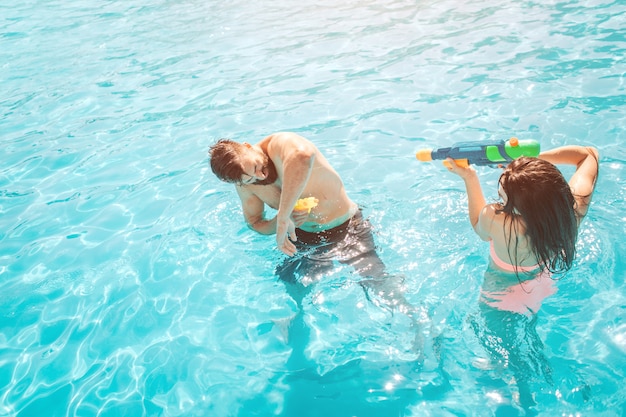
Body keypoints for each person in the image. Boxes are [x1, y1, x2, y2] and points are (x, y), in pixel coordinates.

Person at [447, 144, 599, 413]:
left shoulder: (498, 221)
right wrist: (530, 164)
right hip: (544, 281)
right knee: (531, 339)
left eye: (503, 198)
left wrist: (469, 177)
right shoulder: (571, 210)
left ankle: (523, 391)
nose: (499, 202)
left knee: (508, 351)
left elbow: (477, 226)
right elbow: (588, 155)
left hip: (501, 298)